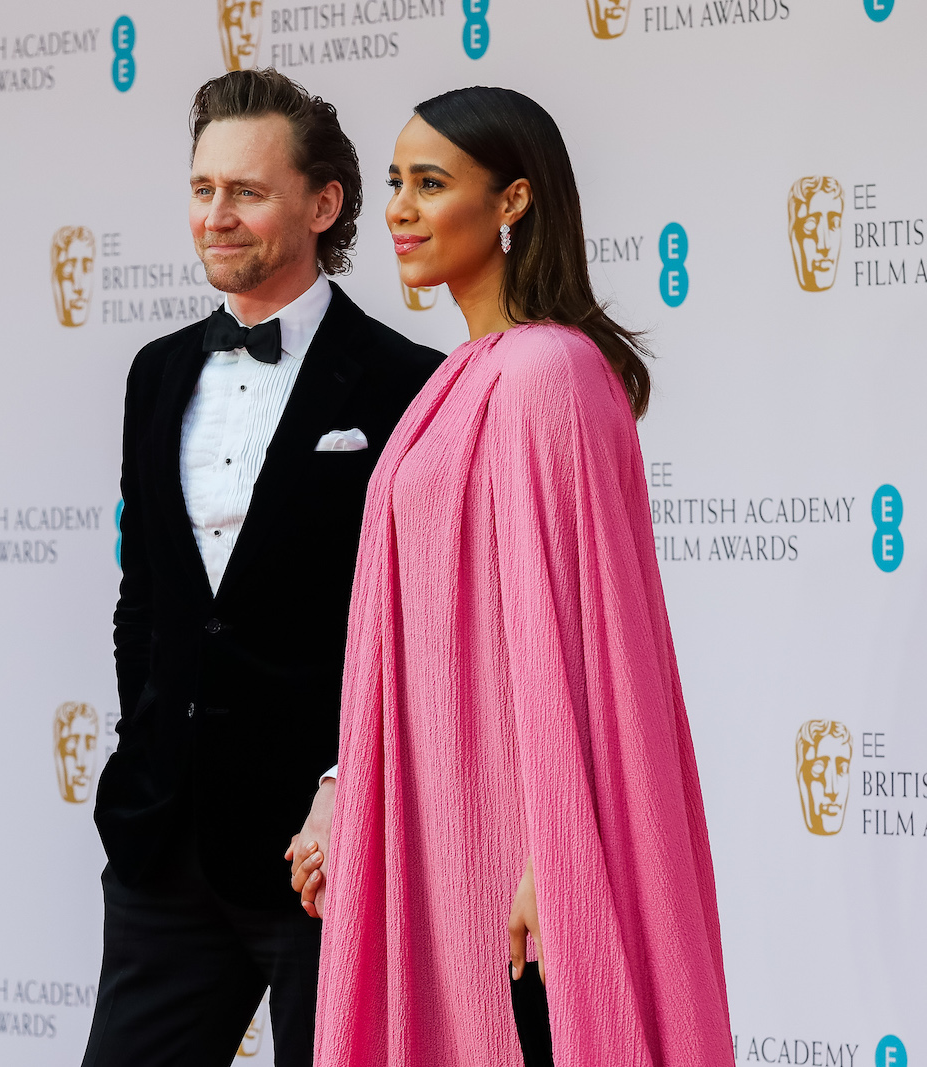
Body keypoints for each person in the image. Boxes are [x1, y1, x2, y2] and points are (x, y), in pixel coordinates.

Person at [294, 86, 735, 1067]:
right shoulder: (456, 379)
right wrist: (344, 785)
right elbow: (411, 635)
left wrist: (555, 853)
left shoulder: (547, 372)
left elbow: (583, 638)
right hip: (443, 832)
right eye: (397, 181)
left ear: (512, 202)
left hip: (518, 853)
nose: (399, 208)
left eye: (432, 182)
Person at [85, 69, 444, 1067]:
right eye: (202, 189)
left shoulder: (407, 382)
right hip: (165, 843)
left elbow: (419, 621)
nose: (215, 214)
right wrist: (140, 748)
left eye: (244, 190)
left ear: (322, 204)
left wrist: (347, 783)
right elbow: (146, 597)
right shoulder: (155, 370)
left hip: (327, 851)